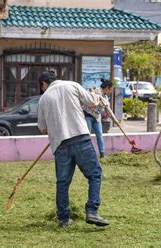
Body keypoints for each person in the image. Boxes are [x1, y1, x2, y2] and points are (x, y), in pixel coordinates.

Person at [37, 71, 110, 228]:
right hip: (81, 138)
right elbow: (92, 103)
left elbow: (43, 129)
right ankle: (92, 211)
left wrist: (55, 127)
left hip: (60, 144)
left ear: (44, 84)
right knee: (95, 174)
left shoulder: (43, 99)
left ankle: (63, 219)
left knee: (62, 182)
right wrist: (94, 94)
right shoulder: (72, 85)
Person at [82, 86, 105, 158]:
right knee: (87, 135)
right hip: (88, 116)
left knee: (99, 135)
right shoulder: (89, 96)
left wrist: (115, 120)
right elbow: (88, 105)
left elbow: (106, 108)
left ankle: (102, 153)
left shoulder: (103, 99)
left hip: (97, 118)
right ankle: (89, 153)